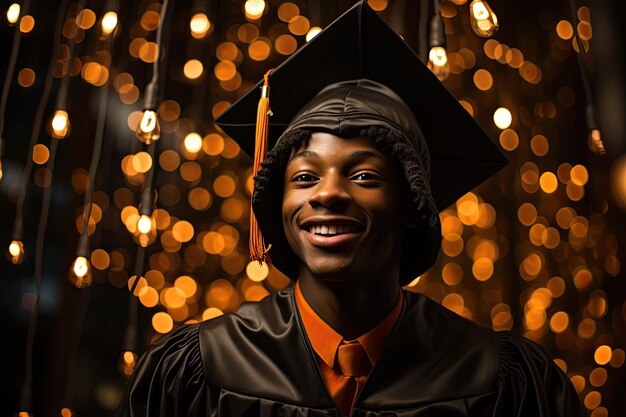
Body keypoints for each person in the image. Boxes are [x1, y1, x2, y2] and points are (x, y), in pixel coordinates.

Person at [115, 2, 586, 416]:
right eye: (304, 177)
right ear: (275, 201)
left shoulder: (502, 381)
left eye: (364, 176)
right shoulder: (197, 370)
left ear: (412, 204)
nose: (327, 194)